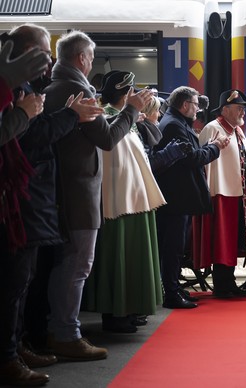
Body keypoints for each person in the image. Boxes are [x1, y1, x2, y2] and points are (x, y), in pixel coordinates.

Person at [0, 23, 104, 386]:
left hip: (32, 198)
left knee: (24, 281)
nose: (49, 59)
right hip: (22, 199)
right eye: (45, 51)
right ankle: (10, 355)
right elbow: (31, 138)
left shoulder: (30, 88)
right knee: (15, 283)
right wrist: (69, 115)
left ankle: (17, 345)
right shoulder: (20, 90)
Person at [40, 30, 151, 361]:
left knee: (65, 265)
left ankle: (58, 329)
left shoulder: (53, 87)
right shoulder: (76, 88)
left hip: (62, 190)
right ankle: (66, 333)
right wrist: (131, 110)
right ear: (82, 58)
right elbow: (106, 138)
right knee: (77, 265)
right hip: (78, 191)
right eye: (90, 58)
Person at [82, 70, 166, 332]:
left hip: (134, 196)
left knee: (131, 256)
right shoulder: (107, 116)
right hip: (118, 198)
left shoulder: (126, 117)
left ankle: (130, 308)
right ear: (125, 93)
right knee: (119, 256)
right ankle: (116, 312)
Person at [154, 86, 227, 308]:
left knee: (174, 247)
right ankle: (172, 293)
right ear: (185, 105)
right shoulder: (175, 125)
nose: (198, 109)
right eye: (195, 104)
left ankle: (174, 289)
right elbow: (192, 159)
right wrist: (214, 148)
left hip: (178, 196)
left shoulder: (175, 122)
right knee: (173, 248)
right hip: (177, 197)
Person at [195, 89, 246, 298]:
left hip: (237, 193)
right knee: (223, 240)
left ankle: (229, 283)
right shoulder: (213, 128)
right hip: (221, 192)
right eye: (239, 108)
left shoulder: (236, 130)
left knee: (232, 240)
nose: (243, 113)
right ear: (225, 110)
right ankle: (222, 285)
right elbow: (202, 160)